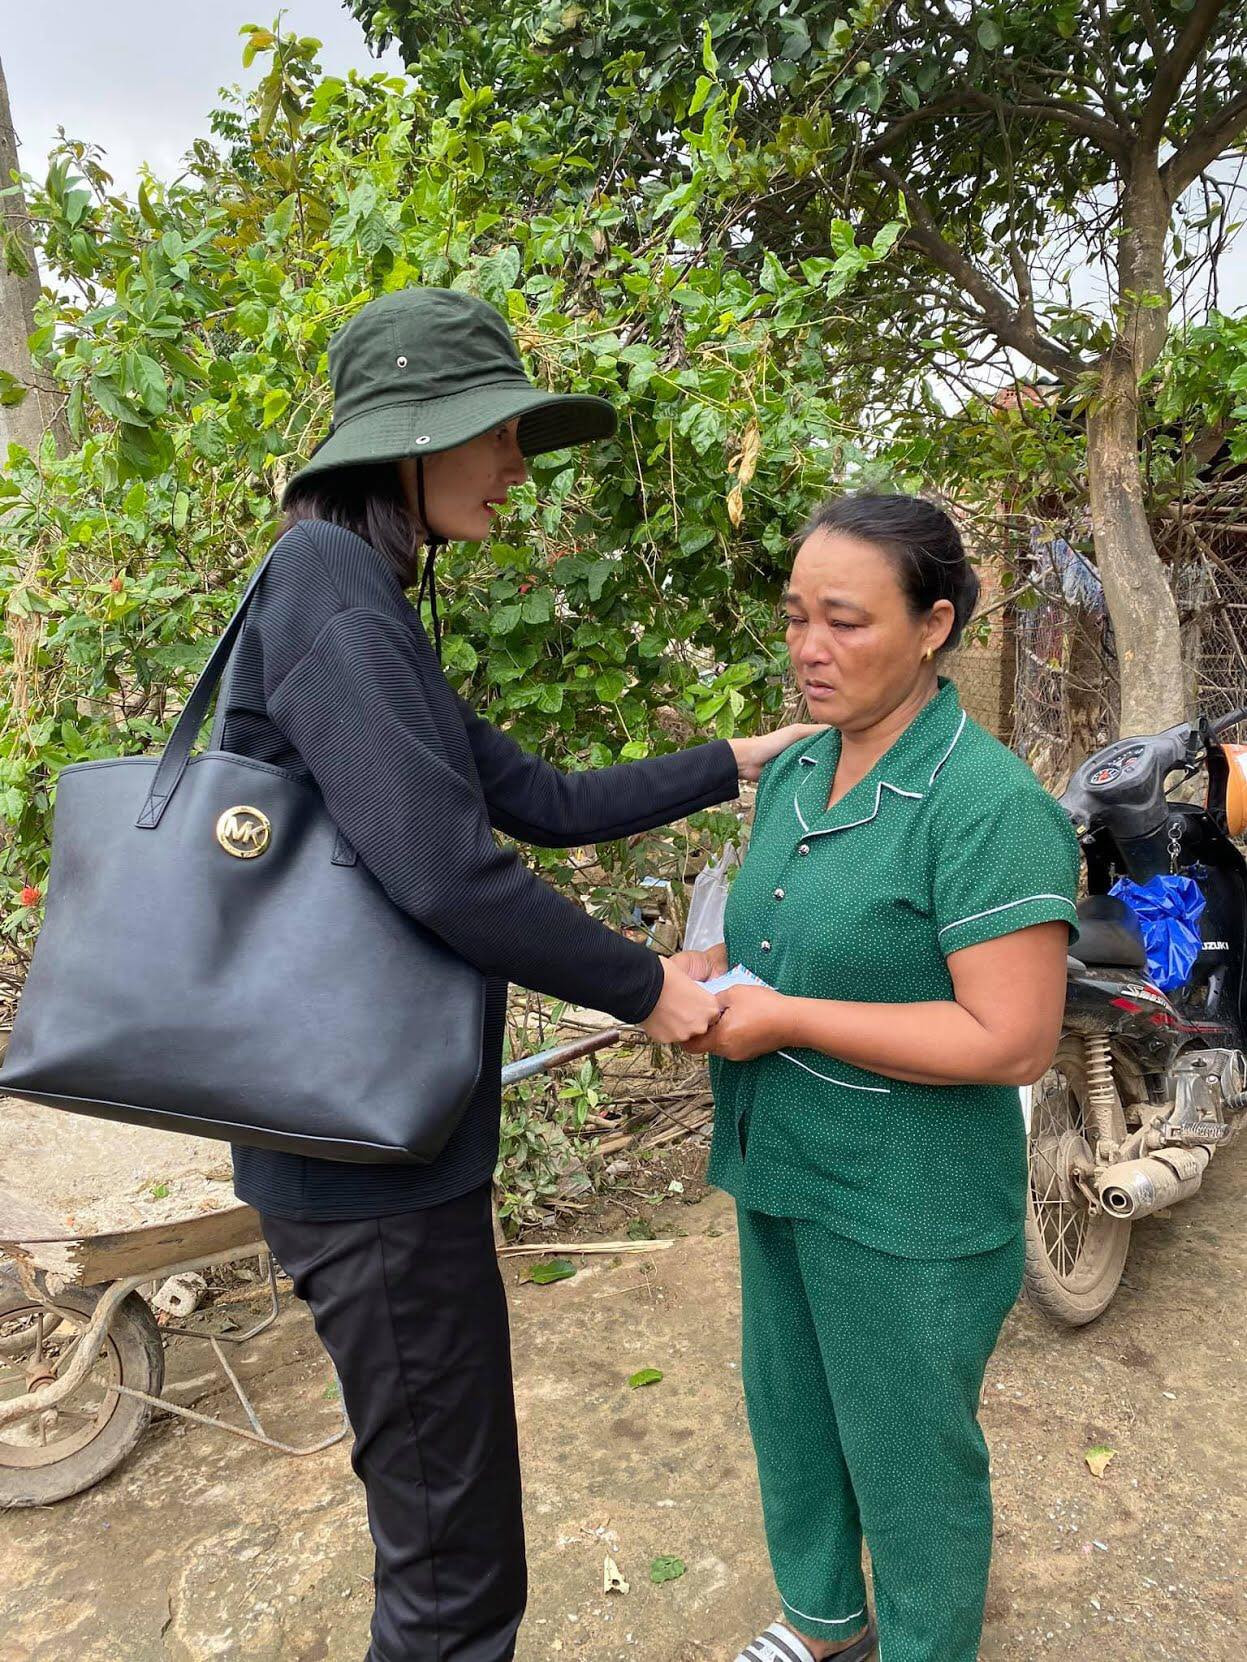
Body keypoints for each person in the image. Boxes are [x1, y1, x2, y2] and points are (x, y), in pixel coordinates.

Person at [218, 285, 819, 1662]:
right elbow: (443, 869)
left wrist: (727, 760)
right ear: (406, 442)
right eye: (493, 432)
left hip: (374, 1138)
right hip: (360, 1159)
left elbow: (530, 795)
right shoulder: (323, 587)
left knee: (445, 1536)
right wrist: (648, 984)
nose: (516, 465)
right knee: (453, 1576)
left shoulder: (361, 597)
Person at [679, 493, 1080, 1662]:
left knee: (909, 1461)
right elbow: (791, 930)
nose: (809, 648)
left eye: (845, 622)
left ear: (932, 625)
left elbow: (1009, 1041)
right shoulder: (802, 771)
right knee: (794, 1419)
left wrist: (785, 1015)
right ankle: (819, 1621)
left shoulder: (985, 807)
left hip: (905, 1202)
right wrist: (715, 968)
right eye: (796, 616)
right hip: (782, 1163)